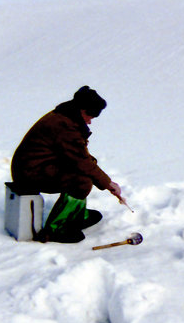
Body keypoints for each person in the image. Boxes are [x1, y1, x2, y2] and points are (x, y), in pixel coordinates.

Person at [11, 85, 126, 243]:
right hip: (31, 172)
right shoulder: (65, 127)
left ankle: (75, 216)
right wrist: (108, 183)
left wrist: (99, 174)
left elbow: (79, 156)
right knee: (81, 182)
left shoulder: (64, 116)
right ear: (82, 109)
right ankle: (57, 228)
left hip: (38, 166)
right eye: (90, 115)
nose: (90, 121)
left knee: (85, 172)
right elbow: (81, 161)